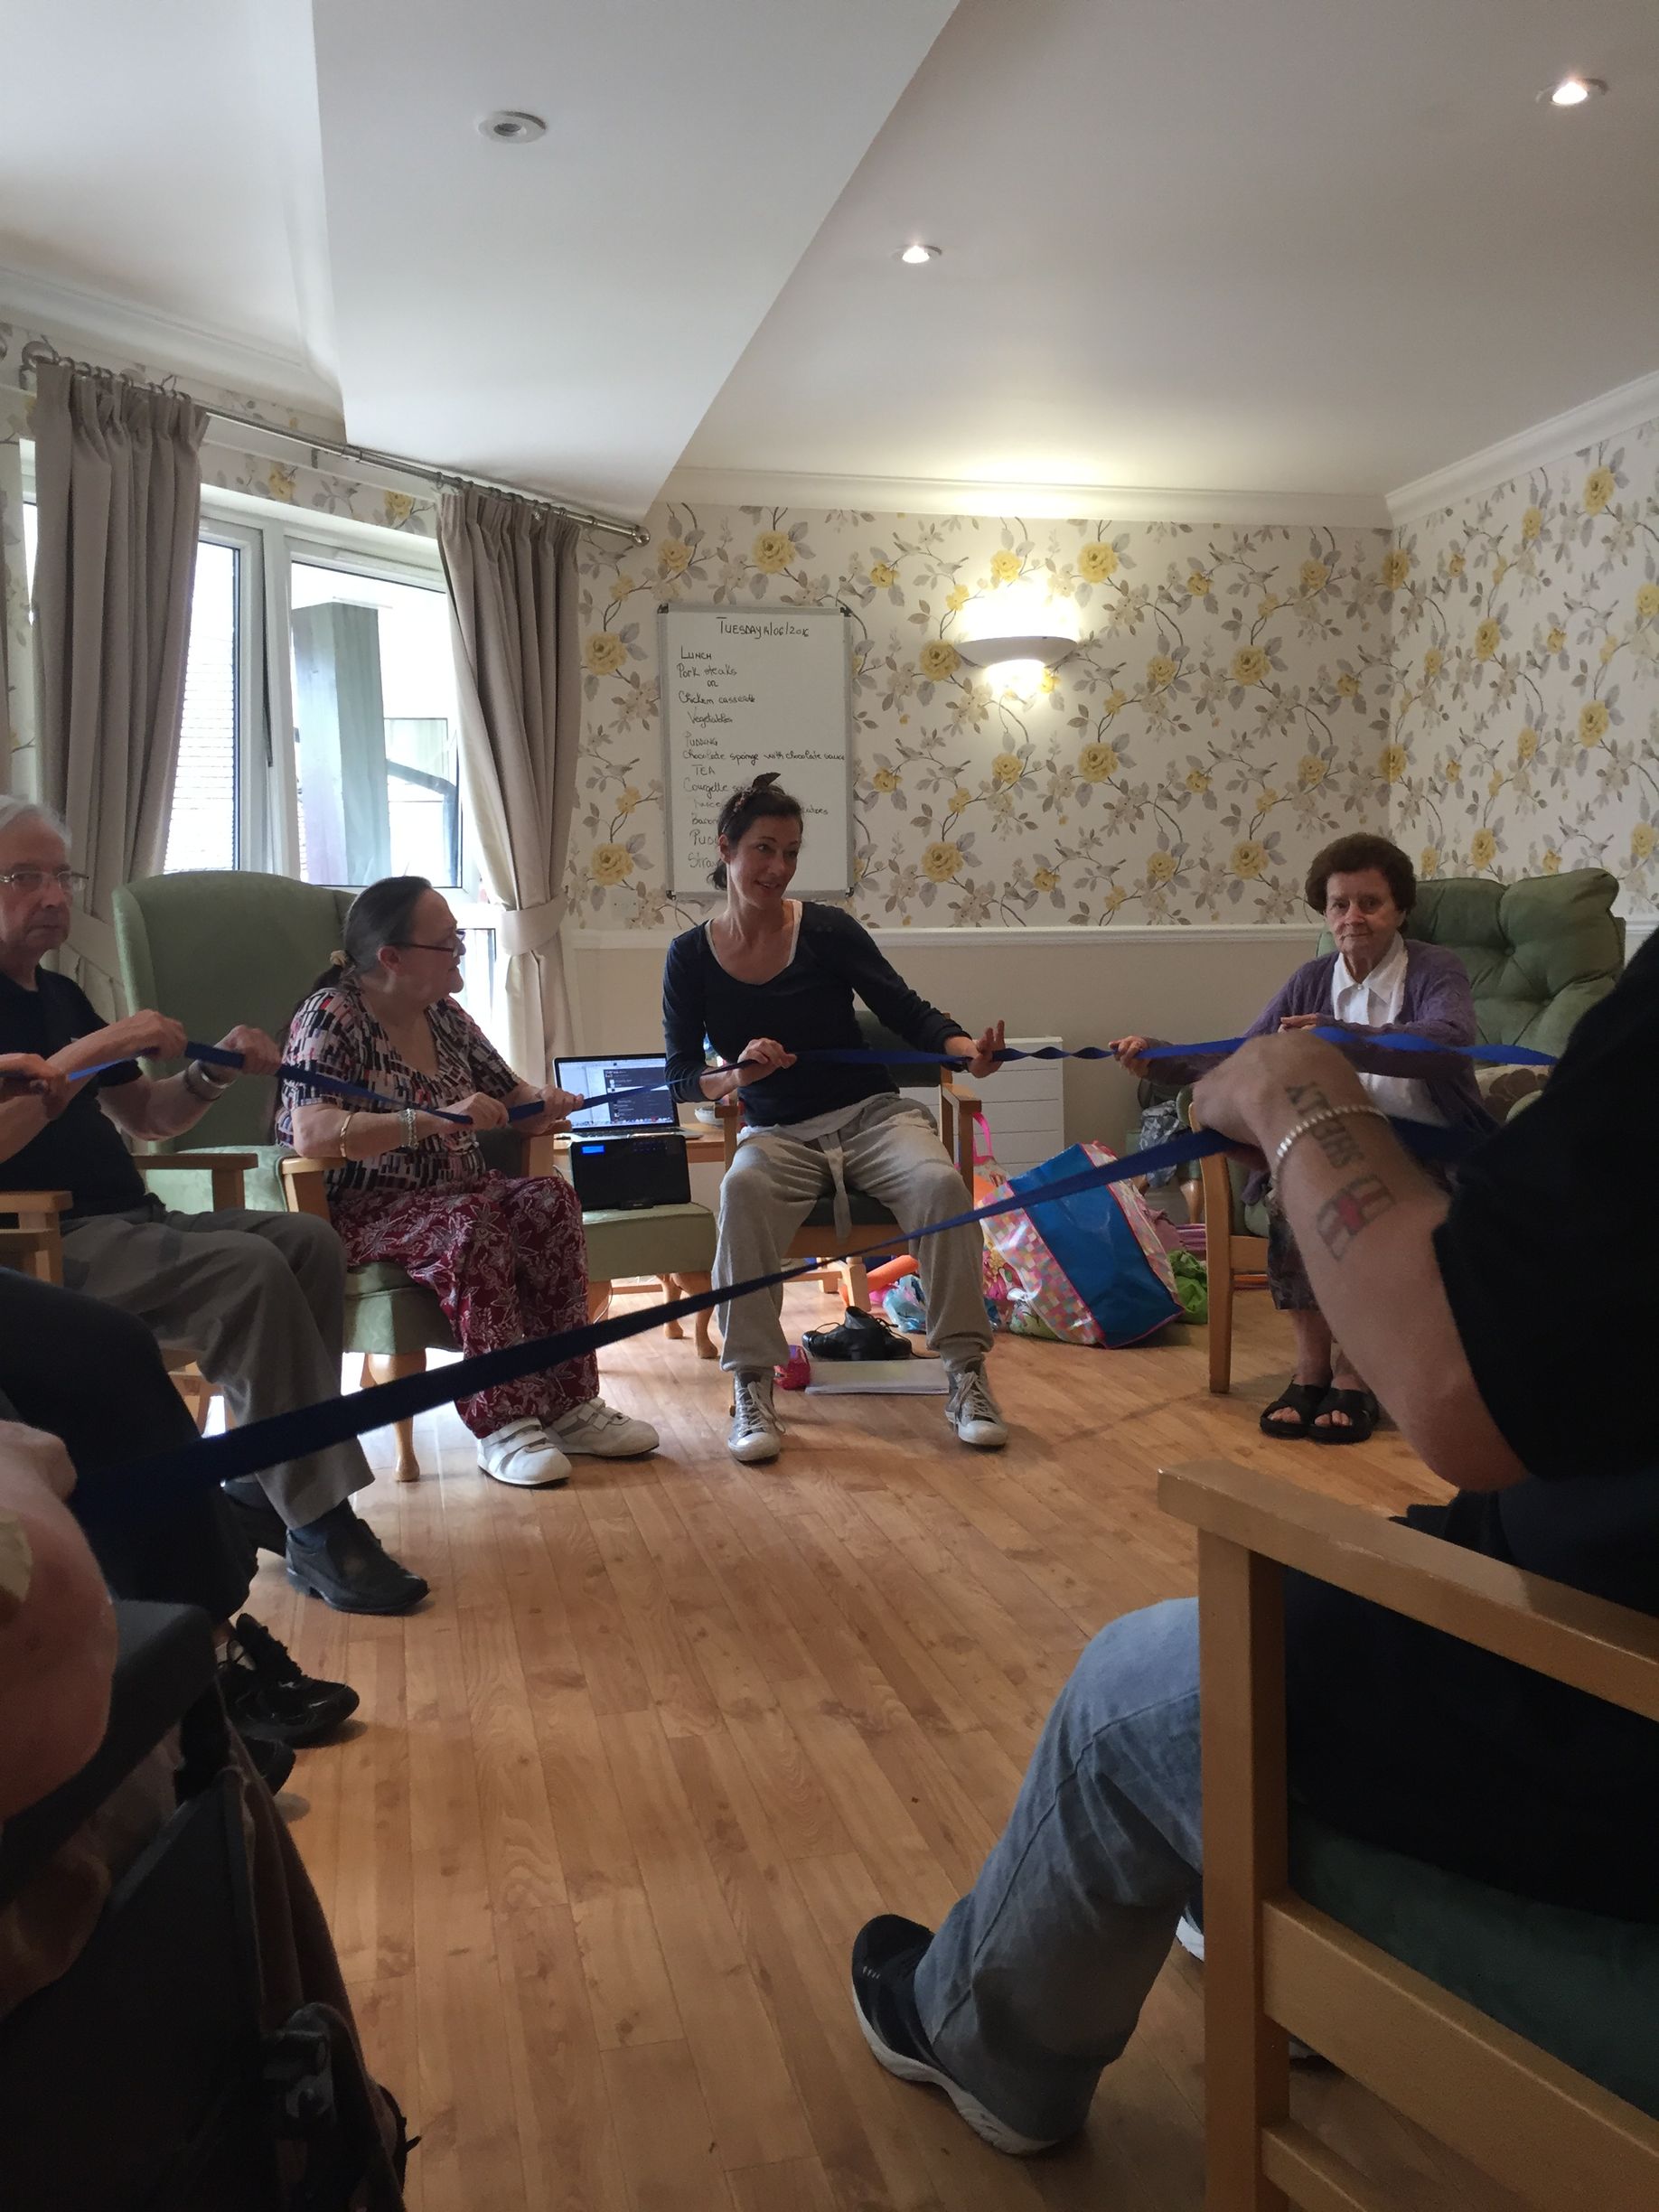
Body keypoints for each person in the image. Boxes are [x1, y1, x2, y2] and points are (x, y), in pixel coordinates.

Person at [848, 933, 1659, 2154]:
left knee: (1134, 1691)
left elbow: (1453, 1388)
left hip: (1610, 1694)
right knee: (1359, 1578)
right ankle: (1261, 1899)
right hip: (1575, 1561)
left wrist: (1295, 1096)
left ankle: (980, 2041)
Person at [0, 796, 426, 1616]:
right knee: (248, 1271)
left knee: (308, 1243)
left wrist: (214, 1073)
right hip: (42, 1241)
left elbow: (150, 1118)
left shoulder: (59, 997)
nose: (52, 895)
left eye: (62, 876)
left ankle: (259, 1494)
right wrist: (100, 1048)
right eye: (25, 877)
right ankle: (320, 1523)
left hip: (131, 1222)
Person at [662, 773, 1008, 1465]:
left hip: (872, 1116)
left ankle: (966, 1374)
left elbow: (904, 1009)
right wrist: (736, 1074)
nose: (778, 868)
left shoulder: (826, 929)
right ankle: (752, 1387)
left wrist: (964, 1050)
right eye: (763, 849)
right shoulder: (690, 957)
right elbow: (680, 1074)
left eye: (790, 852)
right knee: (741, 1191)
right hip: (777, 1135)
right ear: (726, 849)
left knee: (942, 1186)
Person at [278, 876, 658, 1490]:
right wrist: (426, 1120)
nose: (459, 948)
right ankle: (502, 1423)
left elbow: (511, 1095)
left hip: (461, 1194)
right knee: (474, 1223)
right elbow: (312, 1132)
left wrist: (543, 1100)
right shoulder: (331, 1015)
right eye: (446, 941)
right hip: (370, 1210)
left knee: (549, 1199)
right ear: (392, 958)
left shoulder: (446, 1015)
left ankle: (568, 1405)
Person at [1113, 831, 1491, 1441]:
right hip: (1332, 1142)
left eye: (1370, 903)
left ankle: (1357, 1375)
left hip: (1425, 1146)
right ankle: (1312, 1368)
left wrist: (1342, 1037)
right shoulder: (1311, 979)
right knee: (1295, 1192)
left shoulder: (1434, 969)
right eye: (1340, 904)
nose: (1354, 918)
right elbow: (1249, 1057)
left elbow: (1449, 1043)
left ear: (1399, 910)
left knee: (1379, 1209)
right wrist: (1160, 1057)